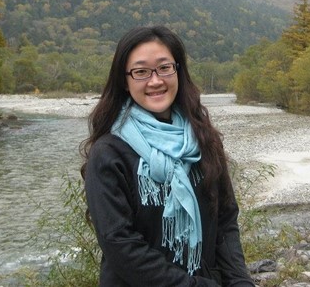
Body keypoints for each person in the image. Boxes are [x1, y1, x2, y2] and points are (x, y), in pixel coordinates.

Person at [80, 25, 255, 286]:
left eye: (164, 68)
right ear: (125, 82)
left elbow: (225, 221)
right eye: (141, 72)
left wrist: (240, 281)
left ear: (178, 71)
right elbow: (120, 244)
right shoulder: (109, 154)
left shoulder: (203, 139)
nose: (155, 81)